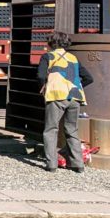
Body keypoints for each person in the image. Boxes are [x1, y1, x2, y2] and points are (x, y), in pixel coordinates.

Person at [38, 31, 93, 172]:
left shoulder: (48, 56)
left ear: (51, 43)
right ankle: (78, 164)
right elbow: (88, 78)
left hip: (56, 95)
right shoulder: (73, 58)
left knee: (51, 129)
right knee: (72, 130)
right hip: (75, 97)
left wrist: (44, 87)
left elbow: (40, 75)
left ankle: (51, 164)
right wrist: (76, 87)